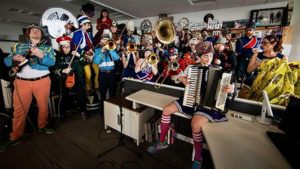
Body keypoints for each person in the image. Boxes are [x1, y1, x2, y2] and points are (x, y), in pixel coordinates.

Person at [147, 41, 234, 169]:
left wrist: (230, 89)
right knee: (166, 110)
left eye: (210, 55)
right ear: (199, 56)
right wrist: (180, 78)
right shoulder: (191, 68)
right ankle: (162, 141)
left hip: (207, 106)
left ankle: (198, 157)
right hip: (189, 99)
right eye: (205, 56)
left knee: (195, 124)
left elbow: (230, 90)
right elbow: (174, 78)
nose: (208, 58)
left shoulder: (221, 71)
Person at [0, 24, 55, 152]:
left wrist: (41, 55)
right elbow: (7, 62)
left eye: (38, 31)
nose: (36, 32)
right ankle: (16, 136)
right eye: (33, 30)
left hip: (42, 81)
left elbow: (51, 62)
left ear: (41, 35)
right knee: (19, 111)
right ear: (28, 34)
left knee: (43, 106)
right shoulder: (18, 46)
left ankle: (42, 125)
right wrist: (13, 58)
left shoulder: (47, 48)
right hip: (21, 82)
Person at [51, 36, 88, 120]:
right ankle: (63, 113)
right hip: (64, 78)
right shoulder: (57, 57)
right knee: (64, 96)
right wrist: (63, 71)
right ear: (61, 47)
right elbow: (54, 70)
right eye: (64, 47)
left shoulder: (74, 54)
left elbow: (84, 63)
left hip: (76, 78)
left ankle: (83, 112)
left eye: (68, 47)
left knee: (80, 95)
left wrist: (79, 56)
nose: (66, 49)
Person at [93, 33, 119, 114]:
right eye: (103, 39)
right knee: (103, 93)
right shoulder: (97, 50)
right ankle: (103, 111)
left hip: (112, 74)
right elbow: (96, 61)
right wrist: (102, 50)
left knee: (112, 93)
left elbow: (117, 58)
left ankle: (113, 111)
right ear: (101, 41)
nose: (105, 41)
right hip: (102, 74)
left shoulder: (112, 49)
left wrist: (110, 49)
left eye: (106, 40)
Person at [71, 15, 97, 94]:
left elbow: (93, 44)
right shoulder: (77, 34)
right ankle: (88, 89)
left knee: (97, 69)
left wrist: (93, 50)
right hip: (81, 57)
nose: (89, 26)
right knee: (88, 73)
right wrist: (85, 52)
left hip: (91, 55)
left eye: (89, 24)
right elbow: (74, 48)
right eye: (87, 24)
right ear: (82, 24)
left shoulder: (89, 34)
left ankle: (96, 87)